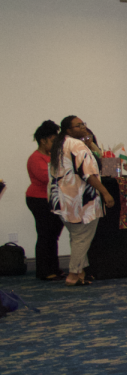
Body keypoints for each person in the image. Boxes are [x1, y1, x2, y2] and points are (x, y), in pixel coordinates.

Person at [48, 115, 115, 286]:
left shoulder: (59, 145)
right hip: (80, 200)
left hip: (64, 200)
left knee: (77, 236)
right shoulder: (76, 145)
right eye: (78, 126)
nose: (83, 127)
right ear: (68, 130)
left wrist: (91, 144)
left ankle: (80, 273)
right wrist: (106, 193)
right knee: (81, 238)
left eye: (83, 124)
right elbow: (88, 174)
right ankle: (72, 274)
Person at [26, 120, 64, 280]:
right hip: (39, 199)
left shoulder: (51, 156)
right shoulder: (36, 158)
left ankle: (53, 268)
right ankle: (44, 271)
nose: (55, 144)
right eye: (53, 141)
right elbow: (46, 177)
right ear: (43, 140)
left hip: (53, 198)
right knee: (44, 235)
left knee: (53, 235)